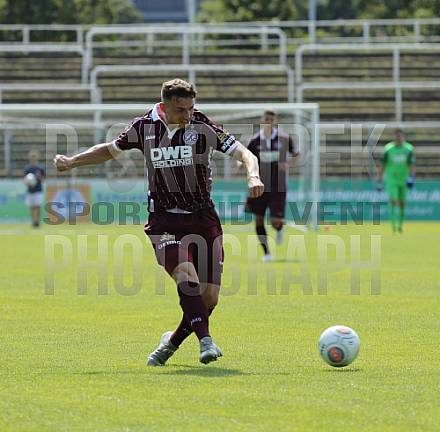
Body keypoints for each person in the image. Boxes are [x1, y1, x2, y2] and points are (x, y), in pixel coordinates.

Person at [54, 78, 264, 366]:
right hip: (164, 222)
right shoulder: (143, 128)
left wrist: (253, 175)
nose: (188, 115)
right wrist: (72, 161)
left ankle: (171, 343)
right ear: (165, 106)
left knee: (209, 298)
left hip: (203, 219)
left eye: (191, 108)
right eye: (181, 110)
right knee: (186, 277)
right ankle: (206, 341)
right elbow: (109, 150)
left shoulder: (202, 126)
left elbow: (244, 153)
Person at [245, 109, 298, 261]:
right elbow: (245, 157)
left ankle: (279, 228)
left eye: (271, 119)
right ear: (261, 120)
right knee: (259, 219)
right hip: (259, 185)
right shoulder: (255, 140)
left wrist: (288, 164)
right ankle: (267, 253)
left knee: (275, 222)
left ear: (275, 121)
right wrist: (242, 165)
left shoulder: (284, 138)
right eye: (266, 119)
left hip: (278, 186)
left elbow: (296, 154)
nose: (268, 121)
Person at [377, 128, 416, 233]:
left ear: (403, 137)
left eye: (400, 136)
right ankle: (393, 225)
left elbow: (412, 164)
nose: (398, 138)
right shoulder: (388, 149)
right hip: (391, 179)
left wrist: (412, 177)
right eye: (396, 136)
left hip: (404, 179)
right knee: (393, 200)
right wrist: (379, 179)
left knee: (402, 202)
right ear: (394, 137)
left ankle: (400, 225)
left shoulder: (408, 149)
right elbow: (383, 165)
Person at [24, 149, 45, 228]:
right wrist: (27, 182)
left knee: (38, 206)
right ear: (29, 157)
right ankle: (33, 221)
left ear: (37, 157)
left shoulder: (40, 167)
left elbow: (43, 177)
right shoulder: (27, 168)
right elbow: (25, 179)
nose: (33, 158)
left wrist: (39, 178)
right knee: (32, 206)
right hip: (30, 190)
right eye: (32, 156)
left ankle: (37, 222)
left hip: (38, 190)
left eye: (34, 156)